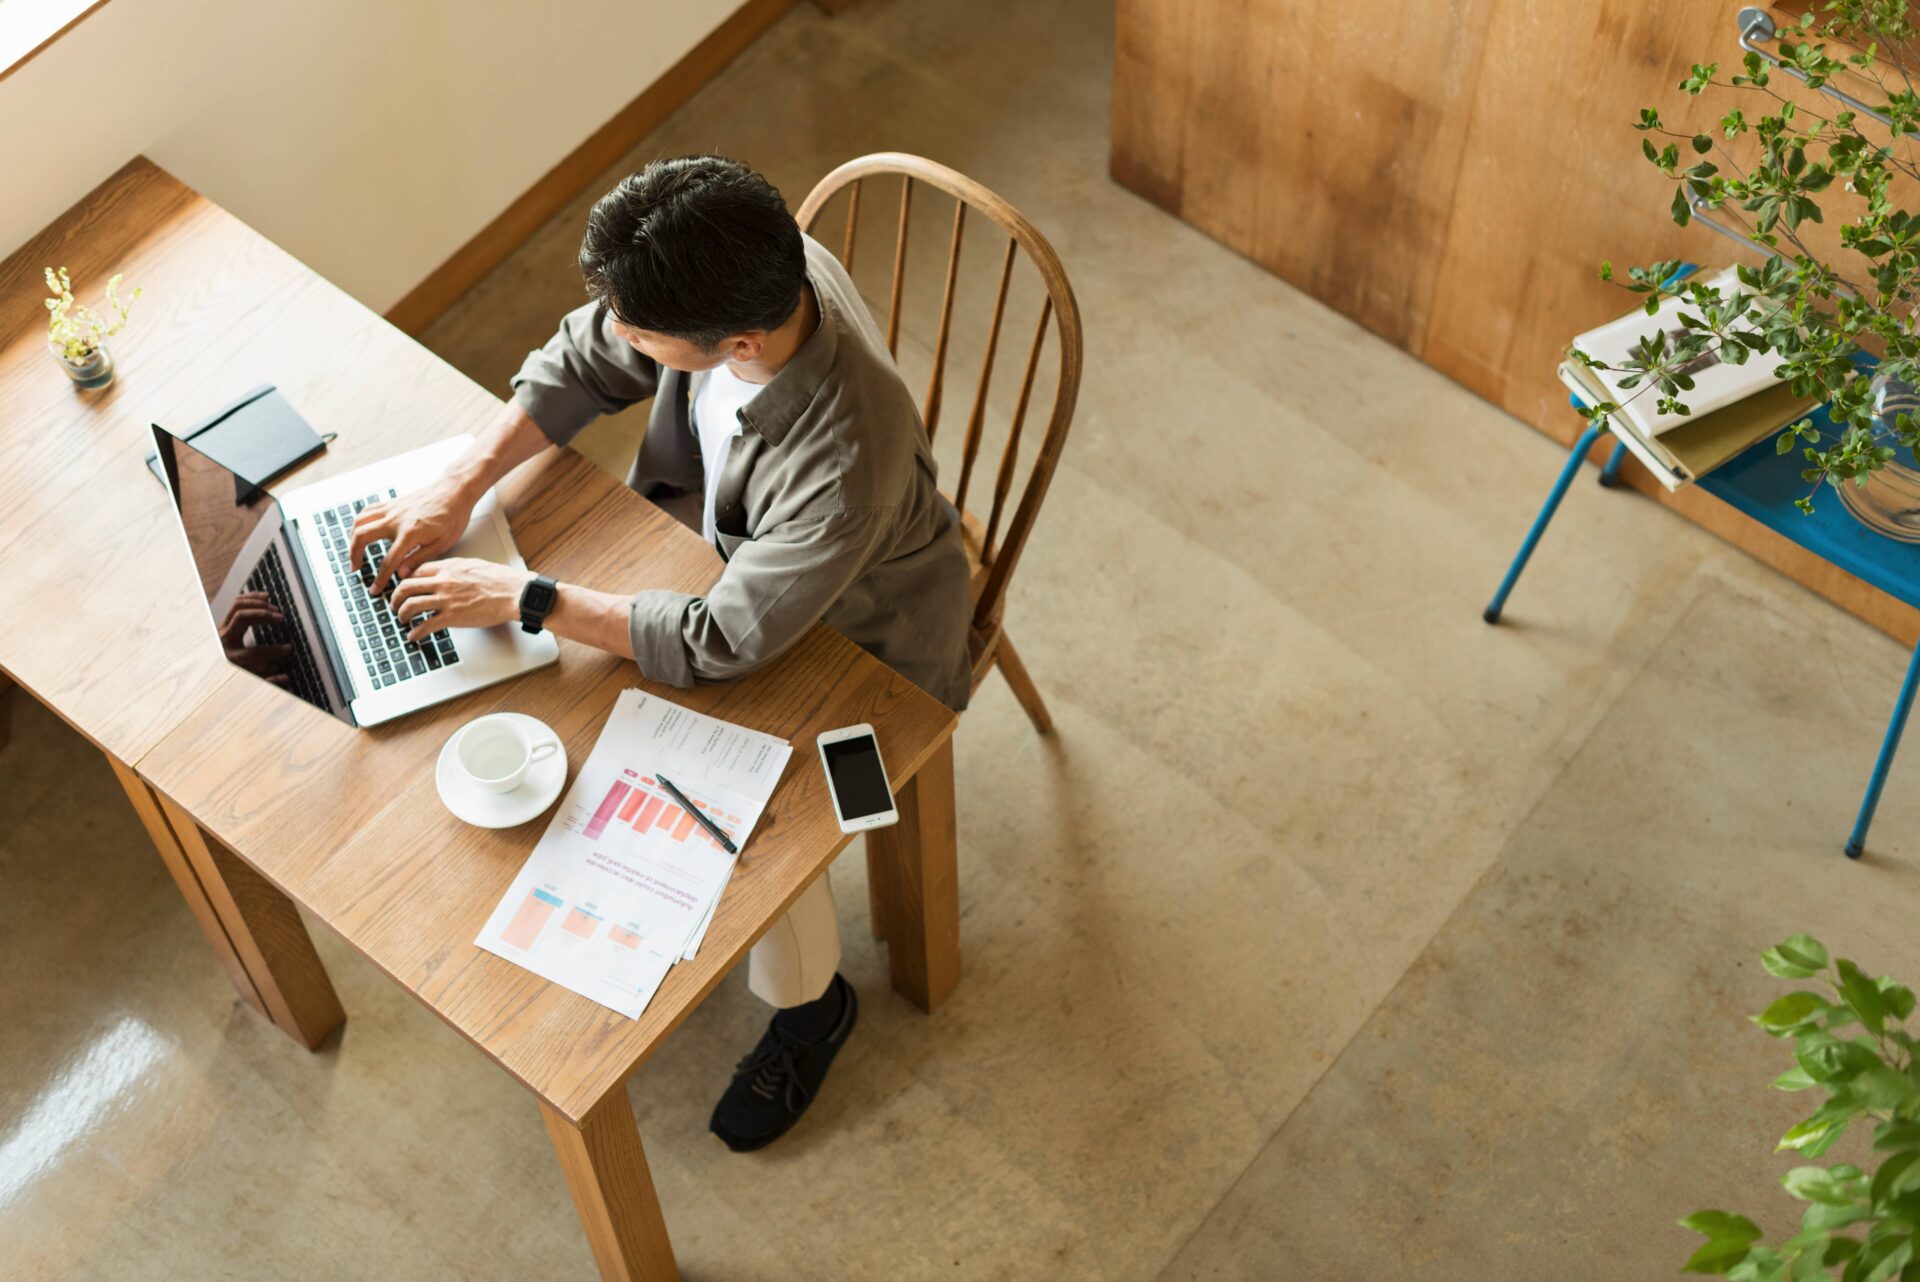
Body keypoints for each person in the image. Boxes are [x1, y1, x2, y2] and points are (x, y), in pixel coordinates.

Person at [348, 155, 972, 1151]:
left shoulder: (844, 456)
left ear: (736, 341)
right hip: (727, 557)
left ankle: (812, 1011)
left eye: (645, 336)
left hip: (861, 641)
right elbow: (586, 355)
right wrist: (460, 483)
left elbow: (724, 640)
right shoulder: (750, 267)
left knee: (740, 823)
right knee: (570, 687)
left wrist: (527, 597)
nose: (622, 339)